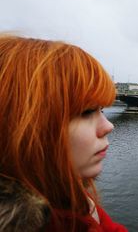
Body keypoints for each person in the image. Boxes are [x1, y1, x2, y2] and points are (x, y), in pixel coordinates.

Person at [0, 35, 128, 232]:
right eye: (87, 112)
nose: (109, 126)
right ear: (24, 127)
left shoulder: (80, 205)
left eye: (101, 110)